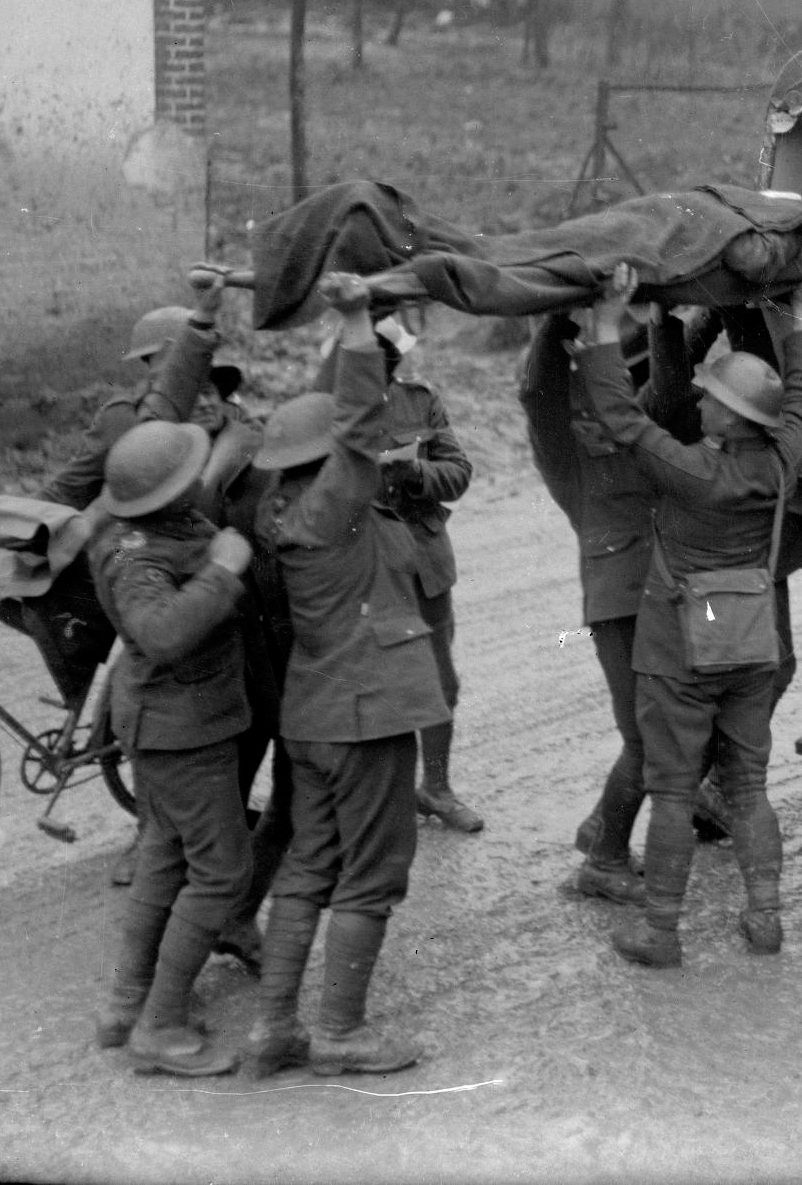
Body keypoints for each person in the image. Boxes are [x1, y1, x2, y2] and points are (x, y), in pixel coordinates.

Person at [576, 254, 802, 968]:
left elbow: (624, 419)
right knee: (748, 787)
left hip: (678, 653)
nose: (701, 395)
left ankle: (661, 931)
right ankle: (765, 918)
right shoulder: (779, 459)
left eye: (714, 394)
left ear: (732, 418)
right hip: (750, 648)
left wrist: (603, 324)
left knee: (672, 791)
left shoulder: (693, 470)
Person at [239, 271, 448, 1078]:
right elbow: (360, 424)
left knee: (308, 865)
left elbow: (344, 429)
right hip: (367, 712)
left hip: (316, 715)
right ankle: (341, 1031)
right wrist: (359, 323)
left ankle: (274, 1028)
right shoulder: (334, 505)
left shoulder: (283, 509)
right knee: (374, 872)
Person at [44, 268, 245, 898]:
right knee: (146, 680)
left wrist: (205, 319)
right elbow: (74, 484)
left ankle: (176, 830)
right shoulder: (134, 422)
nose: (169, 373)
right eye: (157, 362)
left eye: (175, 359)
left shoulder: (233, 420)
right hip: (151, 577)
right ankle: (152, 834)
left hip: (204, 585)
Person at [89, 418, 258, 1077]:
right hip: (181, 728)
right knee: (222, 869)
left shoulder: (155, 526)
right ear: (167, 493)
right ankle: (160, 1024)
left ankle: (127, 1003)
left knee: (163, 853)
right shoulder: (137, 557)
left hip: (166, 722)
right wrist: (221, 573)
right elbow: (160, 632)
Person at [517, 296, 699, 905]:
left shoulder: (629, 435)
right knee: (645, 739)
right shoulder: (565, 460)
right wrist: (560, 320)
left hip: (660, 601)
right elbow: (538, 391)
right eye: (579, 405)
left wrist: (662, 320)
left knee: (661, 732)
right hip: (618, 612)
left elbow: (670, 396)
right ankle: (604, 858)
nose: (590, 412)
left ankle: (602, 825)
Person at [370, 307, 481, 834]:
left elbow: (459, 471)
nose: (381, 364)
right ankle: (375, 800)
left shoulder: (421, 399)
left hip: (423, 558)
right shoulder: (329, 411)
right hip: (363, 564)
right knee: (368, 682)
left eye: (386, 355)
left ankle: (435, 788)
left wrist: (416, 471)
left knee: (441, 680)